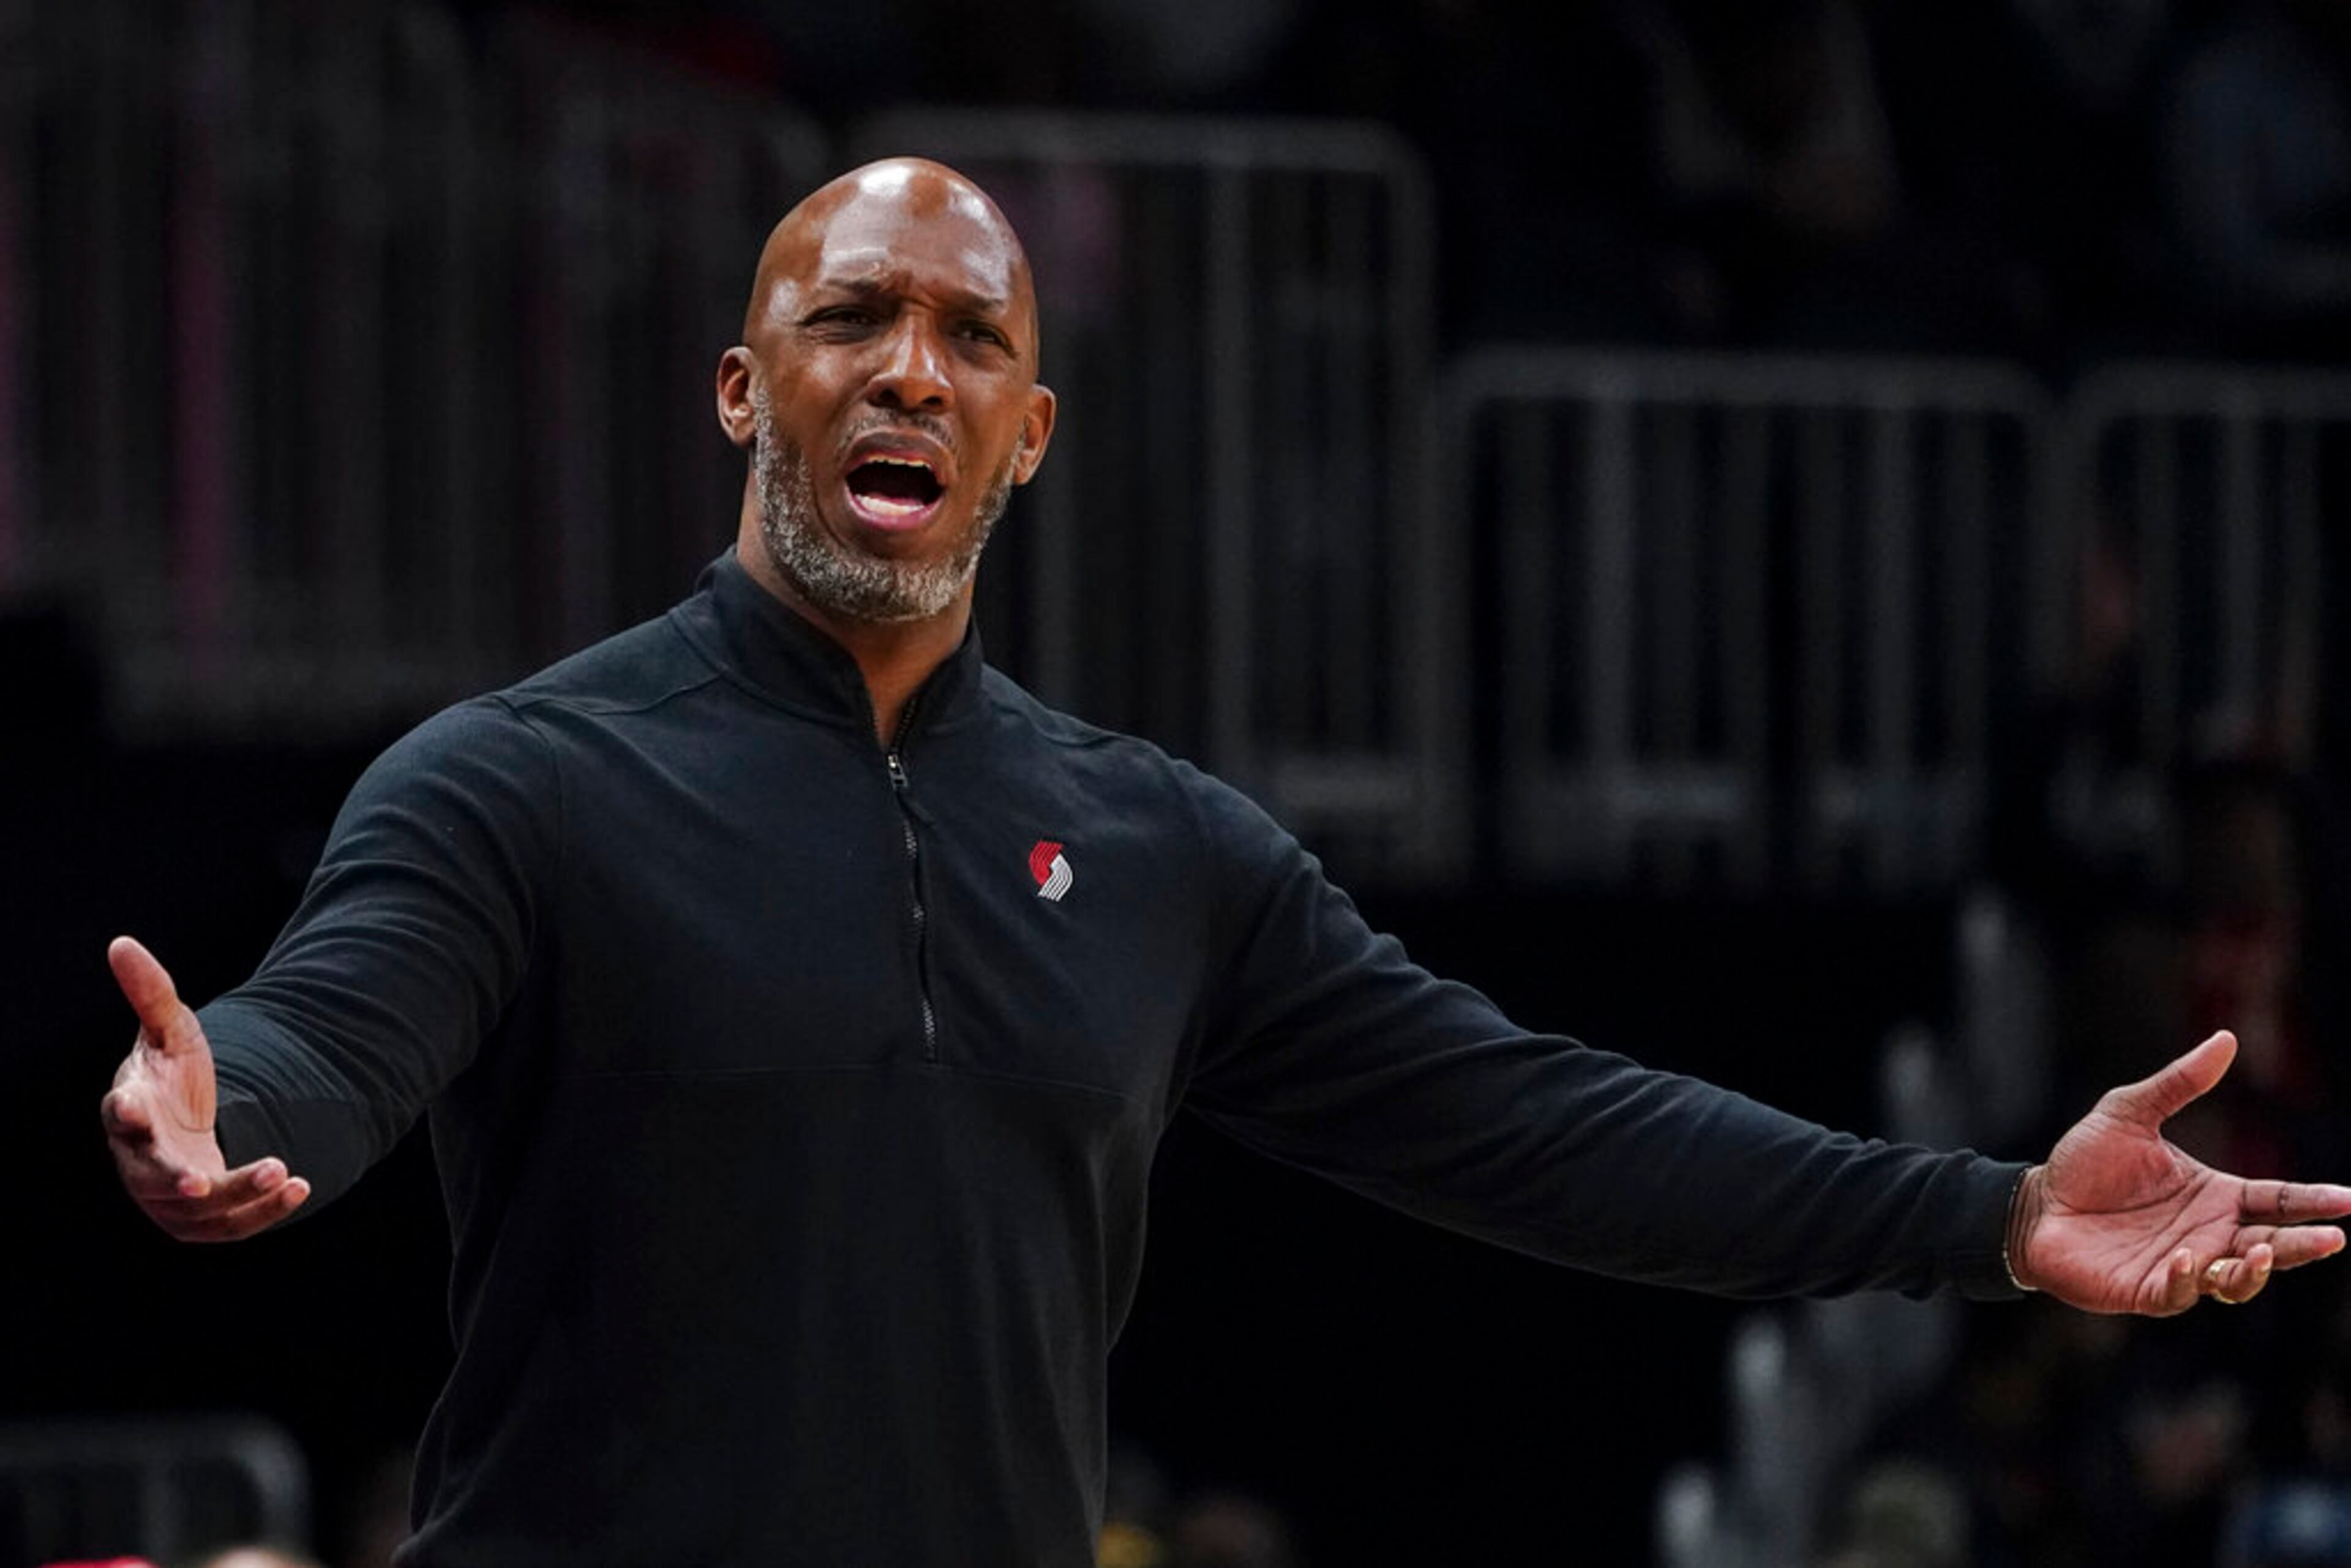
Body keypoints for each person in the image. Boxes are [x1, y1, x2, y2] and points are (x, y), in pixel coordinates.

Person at [99, 157, 2351, 1567]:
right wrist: (232, 1099)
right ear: (741, 388)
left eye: (971, 337)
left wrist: (1991, 1216)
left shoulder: (1159, 849)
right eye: (849, 318)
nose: (909, 370)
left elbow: (1539, 1121)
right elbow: (335, 1019)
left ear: (1028, 434)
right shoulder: (520, 781)